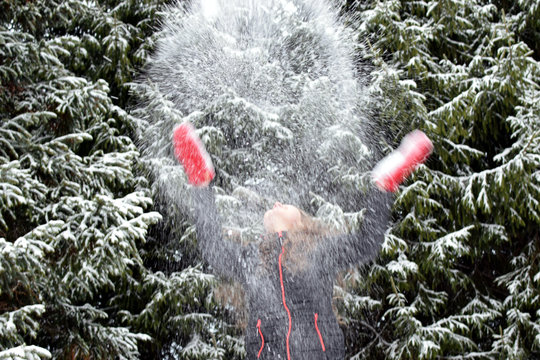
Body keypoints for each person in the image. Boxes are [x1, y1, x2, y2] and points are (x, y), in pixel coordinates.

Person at [191, 179, 392, 359]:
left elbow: (366, 241)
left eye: (285, 205)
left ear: (300, 222)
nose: (276, 204)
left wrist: (383, 188)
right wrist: (201, 186)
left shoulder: (320, 249)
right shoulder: (251, 258)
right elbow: (213, 247)